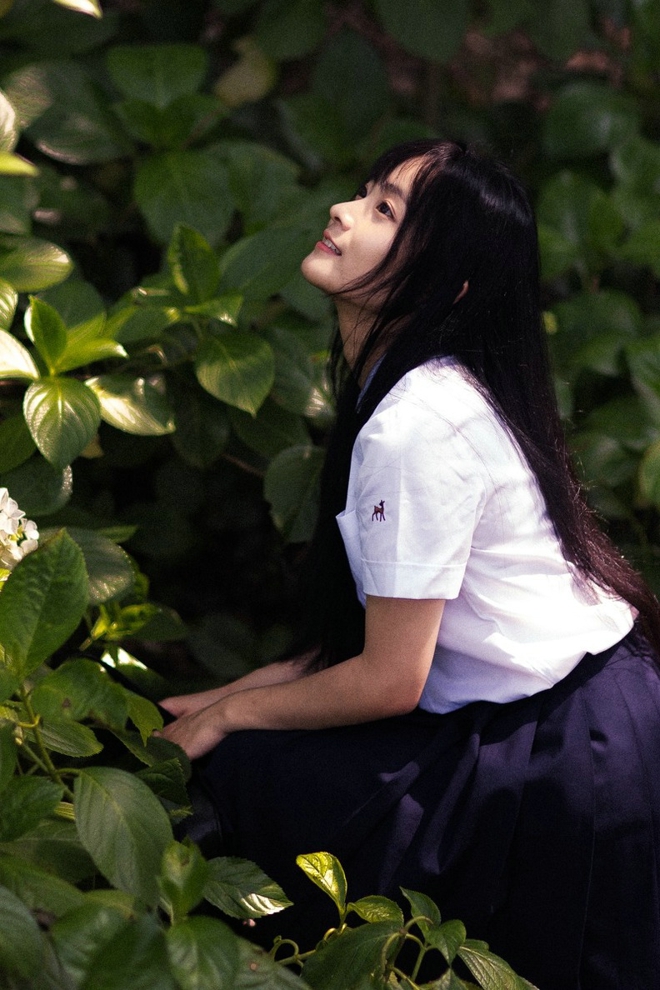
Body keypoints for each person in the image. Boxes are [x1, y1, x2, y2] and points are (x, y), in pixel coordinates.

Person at [160, 140, 660, 989]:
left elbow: (391, 678)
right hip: (555, 714)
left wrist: (231, 717)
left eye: (385, 210)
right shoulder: (413, 392)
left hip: (567, 749)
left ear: (446, 286)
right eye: (366, 193)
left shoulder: (419, 424)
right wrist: (216, 701)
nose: (343, 211)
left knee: (253, 780)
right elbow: (370, 648)